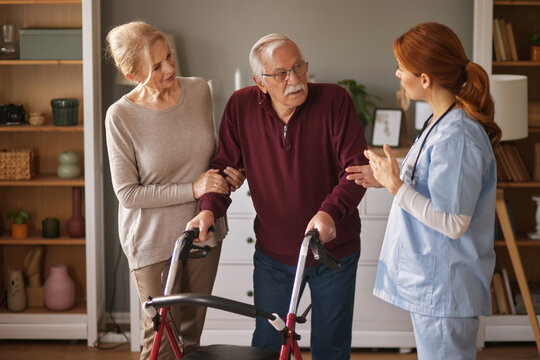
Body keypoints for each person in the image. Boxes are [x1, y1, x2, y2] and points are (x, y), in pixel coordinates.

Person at [187, 33, 369, 359]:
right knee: (268, 346)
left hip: (334, 254)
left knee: (332, 347)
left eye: (299, 67)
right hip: (273, 257)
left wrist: (328, 213)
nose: (296, 79)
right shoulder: (240, 107)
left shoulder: (335, 101)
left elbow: (354, 172)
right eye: (282, 73)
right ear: (260, 81)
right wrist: (208, 212)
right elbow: (223, 170)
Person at [346, 22, 502, 359]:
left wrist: (397, 185)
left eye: (402, 67)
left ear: (426, 79)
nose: (397, 73)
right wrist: (389, 176)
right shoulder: (439, 121)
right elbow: (436, 181)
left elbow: (454, 221)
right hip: (434, 283)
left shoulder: (458, 135)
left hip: (445, 286)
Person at [104, 21, 245, 359]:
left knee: (192, 339)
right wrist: (193, 188)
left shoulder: (198, 91)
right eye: (156, 66)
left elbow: (210, 158)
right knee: (162, 341)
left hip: (203, 232)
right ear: (133, 75)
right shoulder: (120, 117)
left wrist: (230, 176)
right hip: (152, 242)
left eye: (168, 56)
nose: (169, 68)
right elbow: (128, 194)